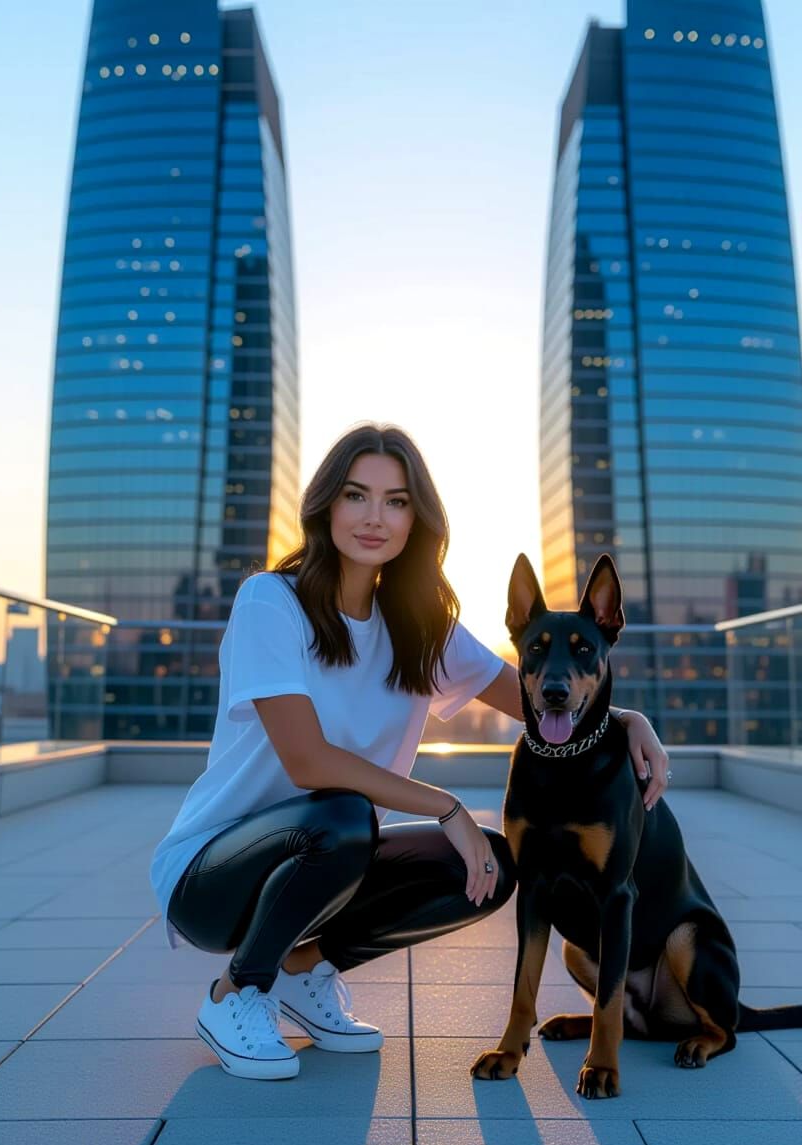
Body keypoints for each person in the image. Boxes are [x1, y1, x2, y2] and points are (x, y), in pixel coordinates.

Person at [149, 422, 669, 1080]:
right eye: (356, 495)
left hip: (330, 859)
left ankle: (302, 971)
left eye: (396, 501)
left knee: (490, 869)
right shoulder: (270, 602)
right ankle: (236, 993)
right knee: (343, 815)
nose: (374, 517)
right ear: (325, 506)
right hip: (212, 876)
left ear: (416, 519)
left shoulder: (421, 626)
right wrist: (446, 807)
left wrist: (627, 720)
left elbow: (533, 698)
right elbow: (307, 763)